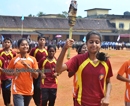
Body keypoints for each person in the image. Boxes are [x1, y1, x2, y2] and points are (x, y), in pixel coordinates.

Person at [55, 30, 113, 106]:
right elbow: (58, 69)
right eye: (91, 42)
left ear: (100, 44)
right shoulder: (78, 59)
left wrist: (107, 97)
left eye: (97, 42)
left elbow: (108, 82)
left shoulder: (105, 61)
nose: (94, 44)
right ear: (86, 43)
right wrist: (65, 48)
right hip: (81, 103)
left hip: (100, 103)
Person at [6, 38, 39, 106]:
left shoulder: (33, 59)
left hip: (28, 90)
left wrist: (29, 67)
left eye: (26, 45)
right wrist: (13, 73)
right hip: (17, 90)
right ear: (18, 47)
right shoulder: (14, 60)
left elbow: (36, 75)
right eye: (22, 45)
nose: (25, 46)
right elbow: (7, 72)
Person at [30, 34, 48, 106]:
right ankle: (37, 102)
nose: (42, 41)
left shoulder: (46, 51)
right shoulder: (34, 50)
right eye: (41, 40)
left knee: (41, 88)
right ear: (38, 41)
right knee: (36, 88)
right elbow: (30, 59)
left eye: (43, 40)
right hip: (36, 72)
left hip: (44, 72)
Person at [0, 37, 16, 106]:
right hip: (1, 75)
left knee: (7, 89)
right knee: (3, 90)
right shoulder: (0, 53)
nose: (7, 43)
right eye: (5, 42)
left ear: (11, 44)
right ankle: (6, 103)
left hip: (9, 75)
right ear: (3, 43)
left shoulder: (13, 53)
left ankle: (8, 103)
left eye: (8, 42)